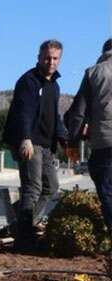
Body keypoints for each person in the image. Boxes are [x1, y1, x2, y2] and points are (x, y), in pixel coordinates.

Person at [3, 39, 69, 250]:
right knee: (33, 187)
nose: (51, 62)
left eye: (55, 58)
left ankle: (24, 223)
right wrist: (25, 138)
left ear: (60, 59)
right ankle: (24, 237)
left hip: (46, 144)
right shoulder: (29, 81)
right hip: (30, 142)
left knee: (51, 186)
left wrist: (65, 140)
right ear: (39, 58)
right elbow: (23, 112)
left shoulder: (54, 85)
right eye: (47, 57)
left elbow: (54, 117)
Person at [65, 38, 112, 232]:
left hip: (105, 142)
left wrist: (73, 142)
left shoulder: (94, 72)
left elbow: (77, 113)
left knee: (108, 192)